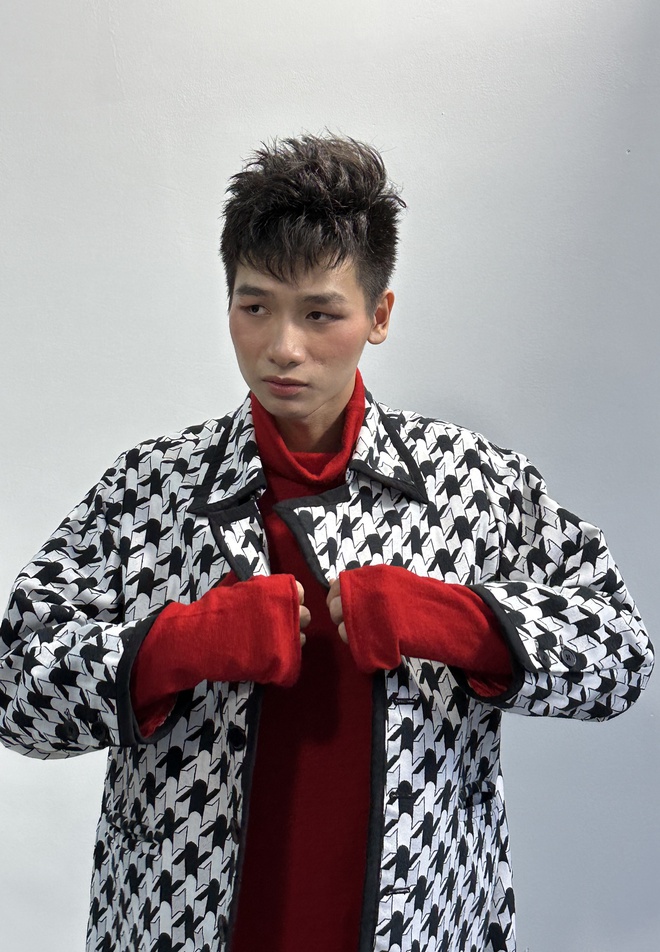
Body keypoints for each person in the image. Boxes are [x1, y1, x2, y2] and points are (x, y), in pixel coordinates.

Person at [0, 135, 653, 952]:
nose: (283, 347)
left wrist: (450, 619)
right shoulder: (152, 488)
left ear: (378, 316)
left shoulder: (471, 483)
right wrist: (181, 644)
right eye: (255, 307)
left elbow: (621, 657)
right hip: (178, 929)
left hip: (422, 927)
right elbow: (15, 689)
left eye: (320, 313)